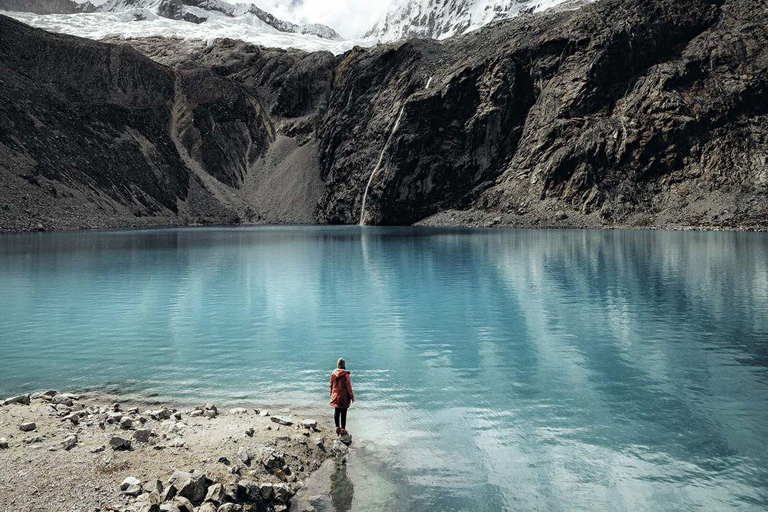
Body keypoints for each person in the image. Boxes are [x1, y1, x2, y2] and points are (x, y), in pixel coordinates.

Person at [330, 357, 354, 435]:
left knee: (337, 412)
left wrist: (331, 394)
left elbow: (331, 385)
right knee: (344, 413)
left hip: (335, 395)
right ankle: (343, 429)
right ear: (344, 365)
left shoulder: (333, 373)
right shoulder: (346, 374)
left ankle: (337, 428)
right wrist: (352, 396)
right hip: (344, 396)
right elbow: (348, 386)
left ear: (338, 365)